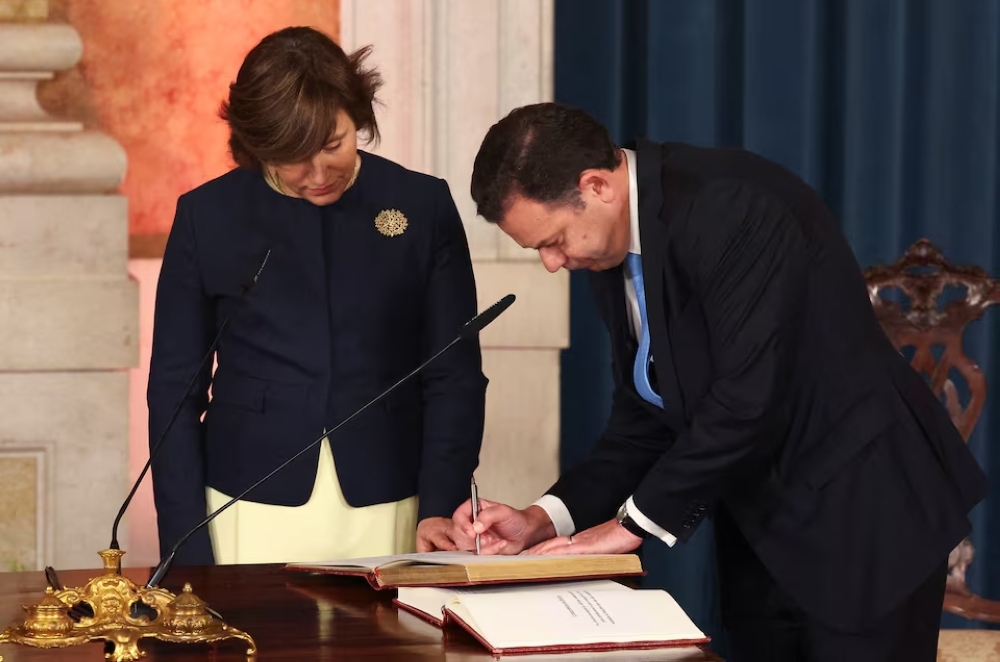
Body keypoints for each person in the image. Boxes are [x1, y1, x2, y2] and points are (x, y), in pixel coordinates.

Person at [448, 102, 987, 662]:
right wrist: (543, 518)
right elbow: (643, 419)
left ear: (596, 186)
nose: (552, 264)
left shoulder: (728, 206)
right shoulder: (613, 245)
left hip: (865, 517)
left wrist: (627, 526)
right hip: (766, 532)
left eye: (552, 240)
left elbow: (747, 399)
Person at [147, 27, 487, 567]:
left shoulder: (421, 205)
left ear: (359, 117)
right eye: (293, 157)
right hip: (246, 496)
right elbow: (174, 391)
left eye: (334, 144)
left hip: (393, 497)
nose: (319, 173)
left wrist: (440, 506)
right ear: (256, 147)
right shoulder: (206, 217)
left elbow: (454, 375)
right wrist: (184, 541)